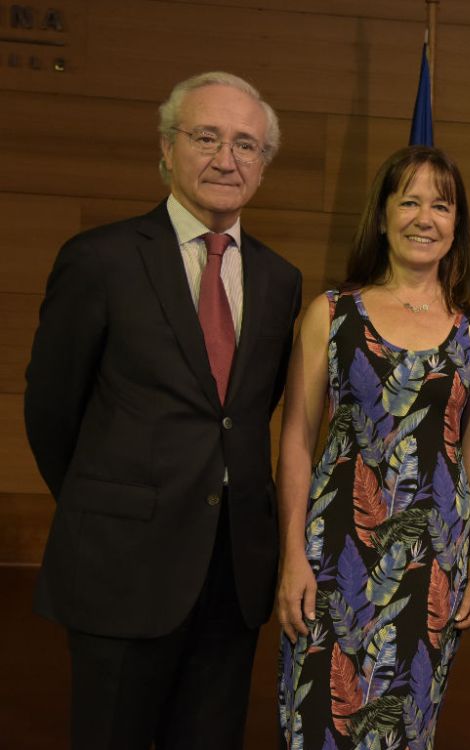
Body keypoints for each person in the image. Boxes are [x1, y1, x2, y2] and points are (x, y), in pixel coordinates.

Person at [23, 71, 302, 748]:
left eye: (245, 144)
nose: (225, 159)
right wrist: (113, 504)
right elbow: (51, 411)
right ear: (166, 147)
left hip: (232, 578)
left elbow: (244, 415)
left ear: (263, 166)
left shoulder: (279, 280)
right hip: (121, 568)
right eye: (206, 137)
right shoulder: (100, 260)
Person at [276, 145, 470, 749]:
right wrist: (291, 556)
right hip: (331, 556)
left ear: (457, 226)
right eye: (408, 202)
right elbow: (297, 440)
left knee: (405, 731)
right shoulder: (331, 313)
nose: (424, 217)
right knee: (317, 725)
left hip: (431, 566)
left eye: (441, 205)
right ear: (381, 217)